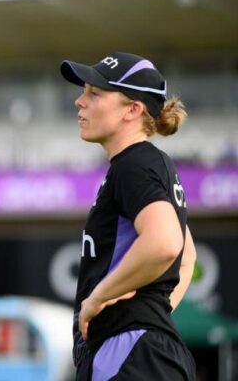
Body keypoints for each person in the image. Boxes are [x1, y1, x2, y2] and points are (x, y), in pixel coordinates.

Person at [60, 52, 197, 380]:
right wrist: (151, 314)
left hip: (131, 354)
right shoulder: (146, 163)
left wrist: (98, 300)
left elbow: (165, 244)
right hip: (141, 350)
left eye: (95, 93)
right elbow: (185, 256)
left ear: (133, 110)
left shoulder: (134, 165)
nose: (80, 101)